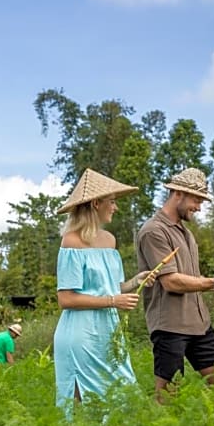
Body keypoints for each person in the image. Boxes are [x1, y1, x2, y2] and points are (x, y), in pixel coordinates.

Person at [135, 167, 214, 401]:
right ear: (178, 193)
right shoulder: (153, 231)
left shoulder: (186, 234)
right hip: (170, 327)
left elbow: (190, 277)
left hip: (200, 325)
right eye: (196, 199)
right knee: (168, 397)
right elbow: (171, 282)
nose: (198, 206)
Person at [54, 168, 153, 409]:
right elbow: (66, 298)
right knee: (85, 405)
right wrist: (112, 301)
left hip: (108, 332)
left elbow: (113, 287)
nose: (115, 207)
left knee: (124, 393)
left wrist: (136, 281)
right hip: (81, 333)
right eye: (112, 202)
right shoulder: (71, 241)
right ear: (96, 203)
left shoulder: (109, 240)